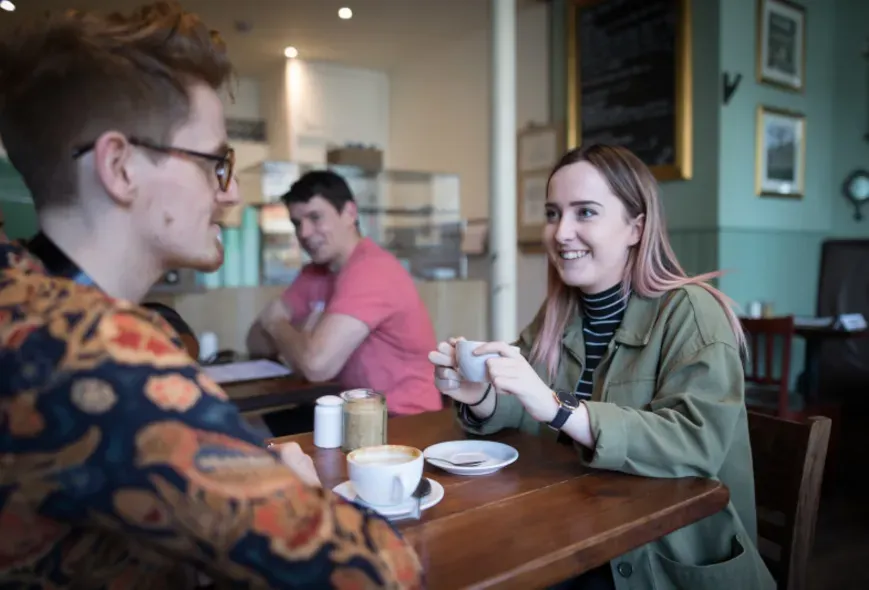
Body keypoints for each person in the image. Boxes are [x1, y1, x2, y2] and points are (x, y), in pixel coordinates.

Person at [0, 2, 422, 588]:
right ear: (120, 168)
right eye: (215, 164)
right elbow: (382, 574)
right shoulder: (106, 358)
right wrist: (303, 494)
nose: (232, 197)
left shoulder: (22, 297)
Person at [429, 144, 775, 590]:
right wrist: (481, 396)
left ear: (636, 227)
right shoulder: (560, 314)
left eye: (585, 212)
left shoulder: (690, 311)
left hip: (666, 556)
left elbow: (696, 442)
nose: (561, 232)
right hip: (583, 532)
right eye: (553, 213)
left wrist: (560, 409)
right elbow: (523, 404)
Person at [247, 170, 443, 427]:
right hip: (349, 412)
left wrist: (277, 325)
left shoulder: (371, 269)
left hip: (402, 421)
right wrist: (296, 339)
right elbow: (255, 344)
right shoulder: (316, 272)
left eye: (315, 218)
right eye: (297, 223)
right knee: (249, 431)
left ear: (350, 213)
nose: (304, 233)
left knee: (256, 440)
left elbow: (316, 365)